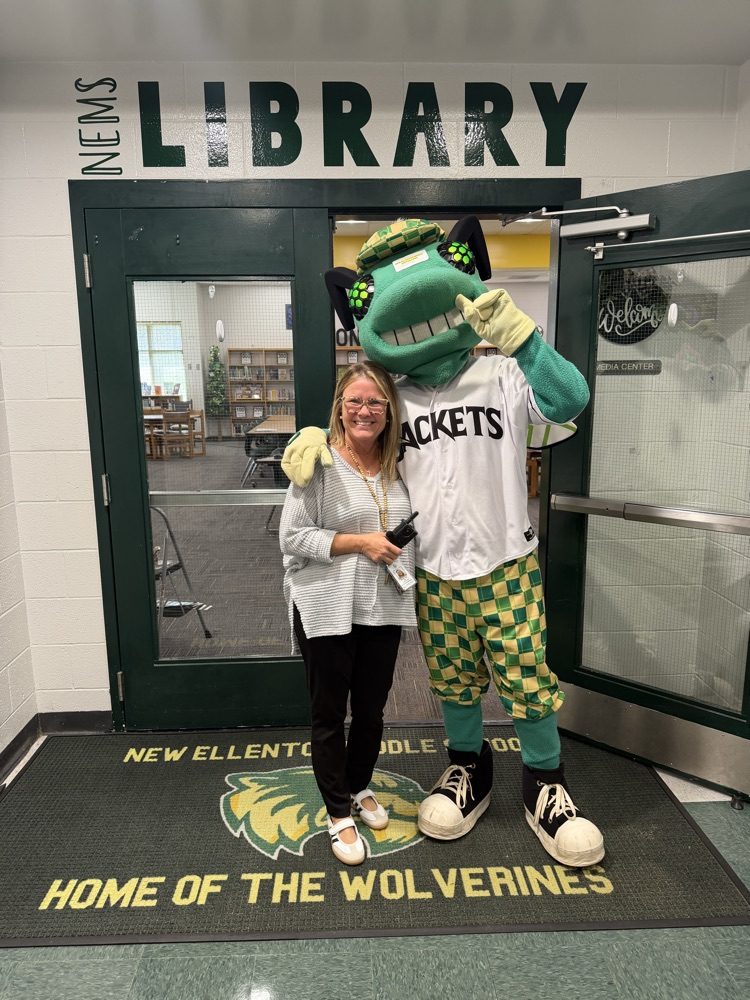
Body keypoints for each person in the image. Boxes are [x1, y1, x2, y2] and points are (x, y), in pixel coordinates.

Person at [283, 217, 605, 867]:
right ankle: (468, 768)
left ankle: (547, 783)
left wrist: (524, 341)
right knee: (454, 683)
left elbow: (572, 399)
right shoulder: (395, 400)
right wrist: (317, 444)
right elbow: (356, 438)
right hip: (430, 571)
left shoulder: (505, 377)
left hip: (506, 563)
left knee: (526, 682)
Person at [278, 360, 417, 866]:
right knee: (330, 714)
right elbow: (292, 536)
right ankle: (338, 811)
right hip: (327, 606)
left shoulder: (401, 462)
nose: (365, 410)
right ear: (340, 407)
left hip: (382, 605)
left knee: (374, 711)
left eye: (375, 402)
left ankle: (359, 786)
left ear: (388, 410)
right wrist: (362, 543)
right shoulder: (318, 462)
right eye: (355, 401)